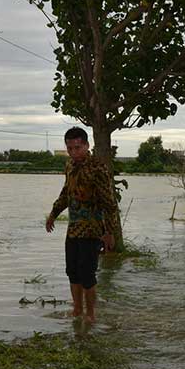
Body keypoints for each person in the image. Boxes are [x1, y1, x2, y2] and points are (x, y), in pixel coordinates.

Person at [46, 127, 117, 323]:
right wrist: (53, 213)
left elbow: (109, 203)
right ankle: (77, 311)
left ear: (86, 145)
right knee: (72, 272)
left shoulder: (98, 168)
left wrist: (109, 232)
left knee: (87, 275)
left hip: (92, 230)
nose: (73, 152)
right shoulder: (69, 166)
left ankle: (90, 315)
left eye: (77, 147)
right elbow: (65, 193)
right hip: (73, 229)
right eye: (70, 148)